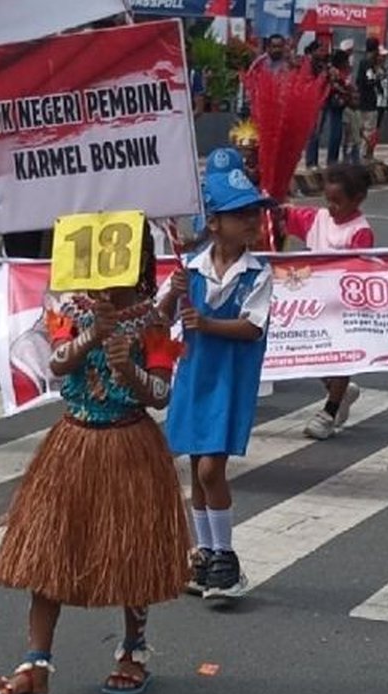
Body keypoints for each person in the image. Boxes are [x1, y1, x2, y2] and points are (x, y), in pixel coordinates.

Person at [0, 224, 191, 694]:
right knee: (49, 549)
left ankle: (133, 651)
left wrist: (128, 372)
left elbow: (160, 395)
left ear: (135, 261)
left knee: (132, 551)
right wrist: (92, 336)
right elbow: (57, 364)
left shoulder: (152, 322)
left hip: (128, 441)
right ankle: (35, 663)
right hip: (73, 440)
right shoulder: (69, 307)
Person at [161, 155, 274, 600]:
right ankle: (205, 552)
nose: (252, 220)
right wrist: (171, 294)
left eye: (254, 212)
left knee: (212, 468)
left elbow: (252, 327)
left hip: (229, 380)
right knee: (196, 467)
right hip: (192, 375)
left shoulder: (257, 273)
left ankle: (227, 558)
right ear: (213, 222)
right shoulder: (189, 269)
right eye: (241, 213)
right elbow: (159, 318)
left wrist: (205, 324)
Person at [280, 163, 374, 440]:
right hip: (313, 303)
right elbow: (286, 216)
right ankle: (340, 389)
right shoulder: (318, 219)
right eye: (328, 200)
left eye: (338, 202)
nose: (331, 207)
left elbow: (361, 269)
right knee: (310, 355)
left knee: (339, 358)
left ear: (357, 200)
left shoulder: (360, 231)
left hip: (343, 307)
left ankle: (330, 411)